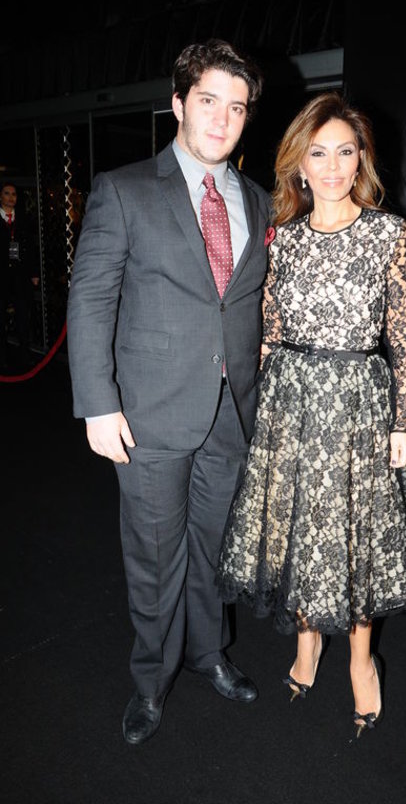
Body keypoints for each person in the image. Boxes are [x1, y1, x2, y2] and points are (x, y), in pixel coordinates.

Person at [217, 91, 406, 738]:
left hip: (359, 402)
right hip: (291, 402)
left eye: (346, 152)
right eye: (318, 153)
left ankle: (360, 658)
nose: (333, 167)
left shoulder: (389, 234)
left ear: (362, 158)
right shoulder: (282, 239)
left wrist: (402, 422)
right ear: (298, 162)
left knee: (356, 536)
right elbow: (268, 332)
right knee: (299, 528)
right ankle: (308, 638)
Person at [66, 39, 272, 745]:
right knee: (156, 556)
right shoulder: (123, 190)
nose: (221, 119)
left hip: (231, 413)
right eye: (208, 100)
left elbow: (247, 307)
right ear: (178, 103)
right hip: (147, 414)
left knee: (211, 551)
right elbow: (91, 300)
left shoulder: (259, 201)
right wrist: (98, 404)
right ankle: (152, 681)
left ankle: (208, 654)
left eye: (236, 107)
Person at [0, 182, 40, 369]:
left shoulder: (23, 220)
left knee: (23, 317)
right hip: (1, 276)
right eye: (7, 193)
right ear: (0, 197)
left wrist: (34, 273)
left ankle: (25, 355)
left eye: (14, 194)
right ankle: (2, 358)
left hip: (20, 276)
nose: (11, 197)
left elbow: (31, 248)